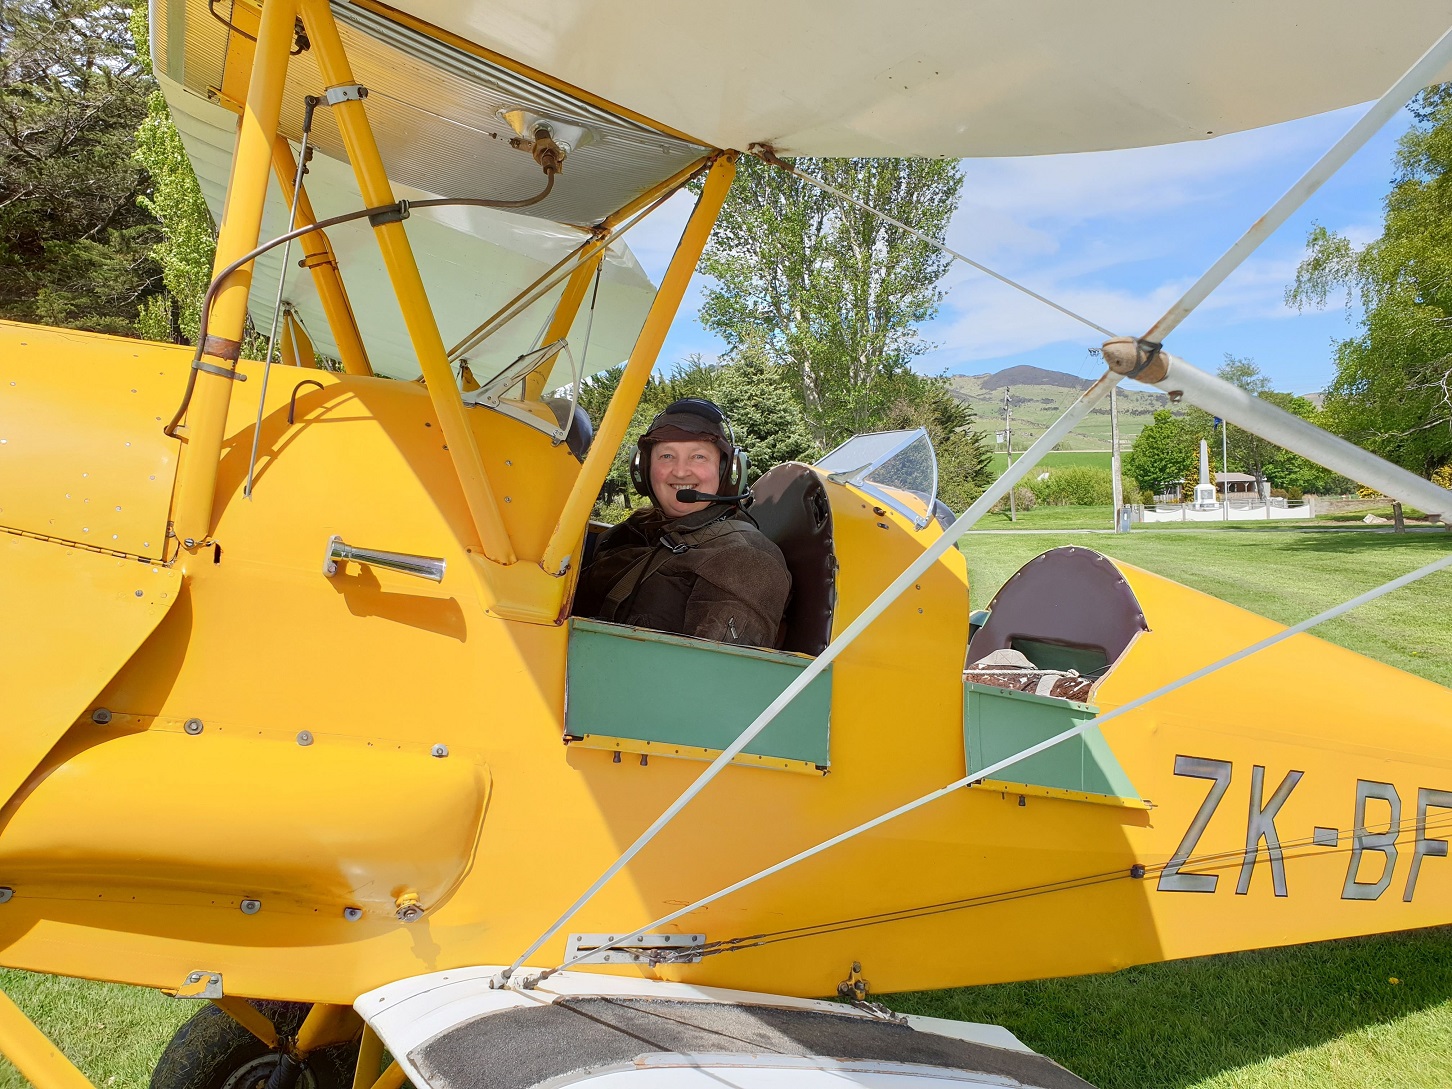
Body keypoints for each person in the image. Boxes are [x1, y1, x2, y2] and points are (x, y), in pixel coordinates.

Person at [574, 398, 791, 648]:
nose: (680, 471)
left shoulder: (744, 560)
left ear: (728, 471)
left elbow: (711, 678)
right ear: (644, 469)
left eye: (698, 457)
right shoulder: (639, 528)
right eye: (667, 456)